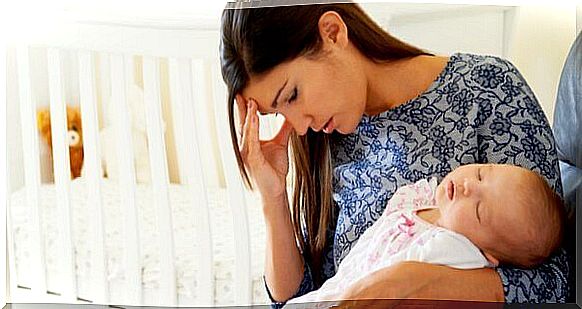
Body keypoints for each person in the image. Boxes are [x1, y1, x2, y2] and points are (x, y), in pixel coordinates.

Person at [218, 1, 571, 307]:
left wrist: (419, 284)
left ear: (332, 33)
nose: (297, 125)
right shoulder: (325, 140)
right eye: (277, 112)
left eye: (292, 94)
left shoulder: (488, 88)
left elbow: (556, 282)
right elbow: (301, 300)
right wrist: (274, 197)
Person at [284, 163, 564, 308]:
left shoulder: (456, 250)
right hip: (327, 294)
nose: (468, 187)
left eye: (479, 210)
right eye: (481, 174)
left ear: (487, 255)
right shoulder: (423, 196)